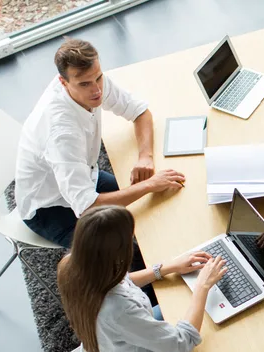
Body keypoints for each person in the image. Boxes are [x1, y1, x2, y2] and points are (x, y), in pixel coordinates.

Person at [15, 38, 186, 248]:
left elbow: (140, 111)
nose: (96, 90)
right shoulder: (61, 133)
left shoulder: (91, 82)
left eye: (98, 77)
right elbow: (86, 206)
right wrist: (149, 184)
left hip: (84, 175)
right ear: (63, 82)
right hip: (48, 207)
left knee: (157, 205)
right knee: (120, 257)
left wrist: (145, 156)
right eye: (85, 84)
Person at [57, 205, 227, 352]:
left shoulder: (71, 265)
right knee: (214, 337)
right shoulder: (119, 309)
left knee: (187, 307)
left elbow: (121, 282)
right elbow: (181, 344)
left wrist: (167, 268)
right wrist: (203, 286)